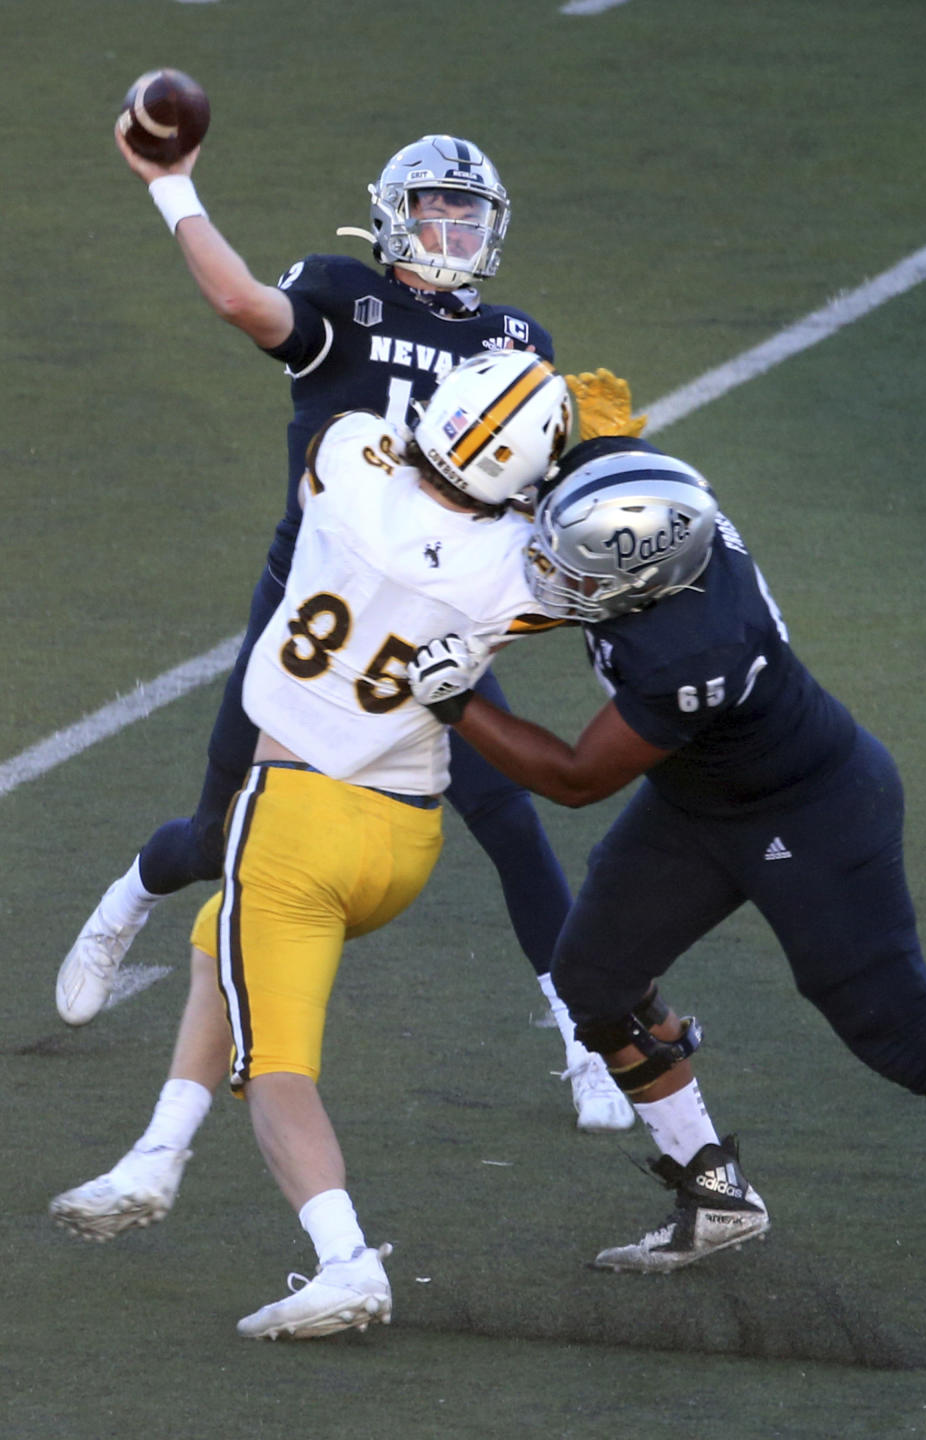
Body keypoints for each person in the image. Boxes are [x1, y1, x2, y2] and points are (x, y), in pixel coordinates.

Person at [54, 129, 633, 1134]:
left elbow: (541, 478)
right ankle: (130, 898)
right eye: (432, 210)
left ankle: (583, 1036)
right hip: (313, 602)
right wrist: (172, 186)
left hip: (435, 618)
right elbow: (243, 301)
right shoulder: (342, 299)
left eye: (467, 213)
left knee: (508, 821)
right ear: (390, 218)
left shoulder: (516, 340)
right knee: (221, 831)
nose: (450, 229)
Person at [55, 349, 574, 1337]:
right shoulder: (519, 564)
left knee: (280, 1069)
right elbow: (562, 577)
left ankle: (344, 1262)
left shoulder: (350, 454)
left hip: (294, 818)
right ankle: (155, 1155)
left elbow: (357, 452)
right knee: (221, 937)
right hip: (407, 839)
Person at [406, 432, 926, 1272]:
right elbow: (574, 459)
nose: (553, 576)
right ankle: (715, 1194)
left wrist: (459, 705)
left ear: (645, 580)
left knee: (903, 1042)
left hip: (812, 815)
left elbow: (574, 779)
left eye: (578, 572)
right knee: (593, 980)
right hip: (700, 800)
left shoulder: (693, 646)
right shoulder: (647, 500)